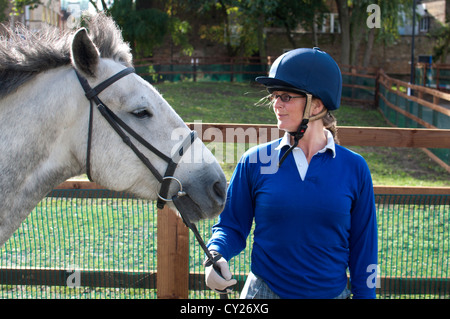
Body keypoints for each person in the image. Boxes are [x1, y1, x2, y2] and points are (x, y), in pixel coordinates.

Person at [204, 47, 378, 299]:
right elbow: (231, 225)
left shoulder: (355, 168)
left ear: (316, 104)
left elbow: (365, 250)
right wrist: (216, 254)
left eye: (286, 96)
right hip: (262, 294)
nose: (276, 104)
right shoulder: (254, 160)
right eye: (274, 96)